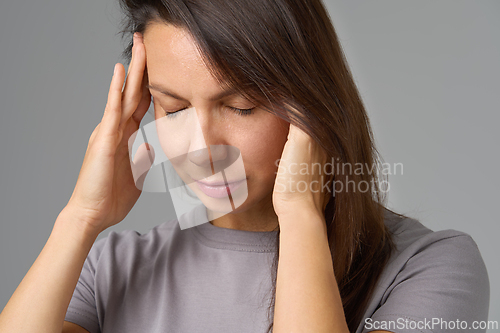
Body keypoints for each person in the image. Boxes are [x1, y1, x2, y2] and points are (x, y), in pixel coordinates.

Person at [0, 0, 490, 332]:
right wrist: (80, 219)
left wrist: (300, 213)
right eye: (173, 108)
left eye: (241, 107)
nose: (201, 147)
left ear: (311, 101)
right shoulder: (111, 268)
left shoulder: (429, 268)